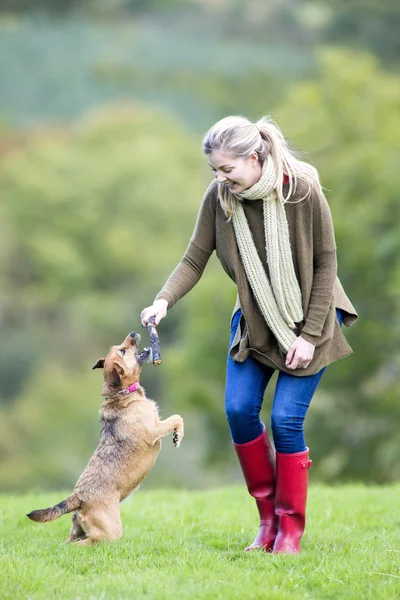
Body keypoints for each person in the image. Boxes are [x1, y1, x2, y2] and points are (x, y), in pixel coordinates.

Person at [140, 115, 358, 554]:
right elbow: (194, 259)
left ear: (254, 158)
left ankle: (289, 531)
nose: (221, 179)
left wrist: (310, 336)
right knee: (239, 410)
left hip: (309, 318)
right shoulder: (220, 198)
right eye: (215, 171)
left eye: (227, 169)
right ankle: (266, 523)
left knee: (285, 421)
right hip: (255, 320)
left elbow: (326, 264)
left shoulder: (302, 190)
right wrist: (163, 300)